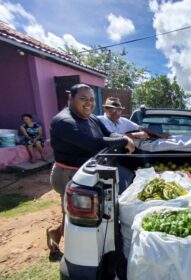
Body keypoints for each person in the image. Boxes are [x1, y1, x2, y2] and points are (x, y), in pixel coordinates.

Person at [47, 84, 135, 257]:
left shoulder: (91, 118)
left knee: (78, 213)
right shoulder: (64, 121)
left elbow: (109, 134)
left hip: (87, 171)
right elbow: (92, 143)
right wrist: (124, 141)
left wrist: (122, 137)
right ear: (70, 99)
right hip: (68, 174)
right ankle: (74, 252)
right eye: (83, 99)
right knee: (79, 217)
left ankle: (54, 234)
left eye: (91, 99)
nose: (88, 103)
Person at [97, 97, 168, 139]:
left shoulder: (123, 121)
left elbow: (140, 128)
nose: (116, 113)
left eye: (119, 110)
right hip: (106, 157)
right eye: (111, 110)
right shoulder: (99, 121)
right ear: (105, 109)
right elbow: (108, 138)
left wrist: (158, 134)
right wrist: (134, 135)